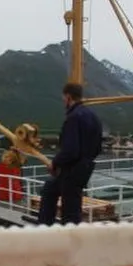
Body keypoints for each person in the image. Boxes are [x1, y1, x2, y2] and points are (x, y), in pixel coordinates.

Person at [37, 83, 103, 225]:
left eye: (63, 98)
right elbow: (98, 147)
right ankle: (44, 226)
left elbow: (71, 150)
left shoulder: (73, 117)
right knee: (49, 189)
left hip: (72, 170)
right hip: (85, 167)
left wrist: (54, 163)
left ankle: (70, 240)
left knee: (70, 210)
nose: (63, 101)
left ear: (68, 97)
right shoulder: (93, 116)